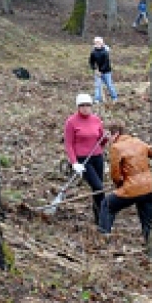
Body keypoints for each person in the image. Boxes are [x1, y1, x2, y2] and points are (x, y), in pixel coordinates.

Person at [101, 123, 152, 243]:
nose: (106, 139)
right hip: (149, 187)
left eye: (108, 135)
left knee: (107, 205)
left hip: (131, 188)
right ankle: (150, 244)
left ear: (116, 134)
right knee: (147, 219)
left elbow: (115, 173)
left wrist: (119, 184)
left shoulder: (116, 148)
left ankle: (104, 237)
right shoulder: (138, 141)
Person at [63, 93, 110, 225]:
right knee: (98, 186)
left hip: (97, 158)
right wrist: (74, 163)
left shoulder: (96, 120)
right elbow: (69, 144)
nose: (85, 108)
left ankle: (98, 217)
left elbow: (101, 140)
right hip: (83, 160)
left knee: (98, 189)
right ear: (78, 107)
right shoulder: (71, 122)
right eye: (82, 106)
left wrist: (106, 137)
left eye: (88, 105)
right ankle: (103, 217)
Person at [89, 37, 119, 103]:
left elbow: (106, 63)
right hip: (97, 72)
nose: (97, 44)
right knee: (97, 86)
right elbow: (91, 62)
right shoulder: (93, 52)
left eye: (99, 42)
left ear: (102, 43)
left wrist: (101, 71)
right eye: (96, 42)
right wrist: (94, 69)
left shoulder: (105, 52)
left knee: (109, 84)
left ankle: (114, 97)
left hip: (106, 72)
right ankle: (97, 99)